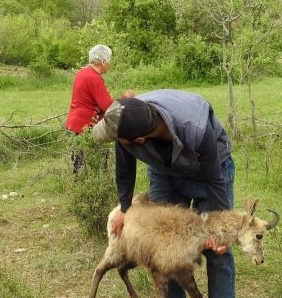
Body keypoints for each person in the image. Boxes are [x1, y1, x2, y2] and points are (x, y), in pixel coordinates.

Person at [91, 89, 236, 298]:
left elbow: (214, 180)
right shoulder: (126, 122)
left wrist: (220, 231)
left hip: (211, 170)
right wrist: (124, 208)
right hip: (165, 172)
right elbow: (124, 170)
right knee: (165, 248)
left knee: (217, 248)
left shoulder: (195, 128)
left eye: (122, 141)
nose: (120, 143)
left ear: (140, 140)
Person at [66, 44, 133, 172]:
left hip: (74, 123)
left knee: (78, 166)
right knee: (89, 164)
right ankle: (89, 188)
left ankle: (80, 188)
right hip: (84, 126)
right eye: (109, 60)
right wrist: (125, 98)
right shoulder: (94, 78)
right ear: (103, 61)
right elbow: (108, 107)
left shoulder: (83, 72)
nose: (109, 64)